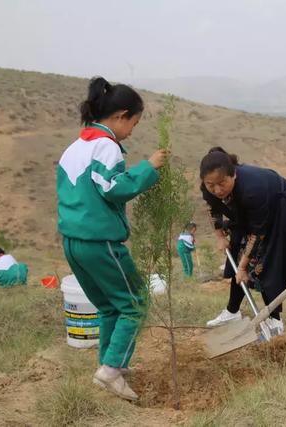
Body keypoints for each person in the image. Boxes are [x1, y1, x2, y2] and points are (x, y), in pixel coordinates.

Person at [57, 76, 167, 400]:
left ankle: (108, 367)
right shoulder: (106, 146)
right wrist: (149, 167)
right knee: (135, 303)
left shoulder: (75, 147)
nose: (132, 130)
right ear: (120, 115)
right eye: (134, 122)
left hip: (73, 242)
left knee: (108, 307)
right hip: (100, 241)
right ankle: (111, 371)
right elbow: (114, 188)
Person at [201, 147, 286, 334]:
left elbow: (257, 234)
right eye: (211, 185)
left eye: (222, 183)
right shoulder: (209, 186)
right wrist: (219, 236)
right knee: (235, 250)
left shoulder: (253, 189)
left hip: (281, 209)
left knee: (267, 263)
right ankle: (232, 311)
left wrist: (243, 268)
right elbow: (214, 208)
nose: (217, 190)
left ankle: (274, 320)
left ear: (233, 174)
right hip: (247, 211)